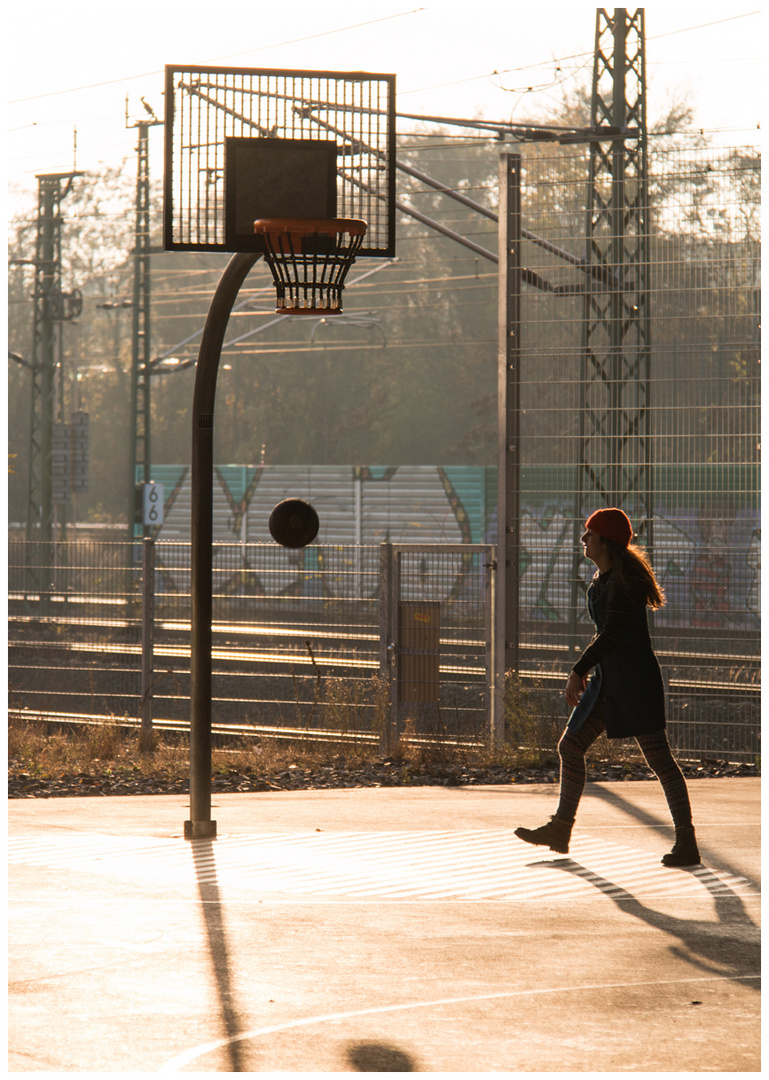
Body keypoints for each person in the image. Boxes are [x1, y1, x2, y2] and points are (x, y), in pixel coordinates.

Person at [515, 507, 700, 868]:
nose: (583, 539)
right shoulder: (602, 580)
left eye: (589, 533)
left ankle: (687, 841)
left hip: (634, 682)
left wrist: (577, 670)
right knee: (570, 746)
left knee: (660, 760)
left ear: (605, 541)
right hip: (610, 681)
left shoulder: (624, 583)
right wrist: (587, 671)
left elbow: (612, 634)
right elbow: (607, 635)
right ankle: (560, 829)